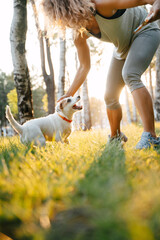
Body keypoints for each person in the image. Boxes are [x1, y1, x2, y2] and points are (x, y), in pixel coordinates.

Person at [41, 0, 160, 149]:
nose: (64, 24)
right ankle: (115, 137)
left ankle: (150, 136)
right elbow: (84, 66)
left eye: (62, 17)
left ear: (70, 9)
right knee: (110, 95)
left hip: (145, 31)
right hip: (123, 49)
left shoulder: (102, 4)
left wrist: (156, 3)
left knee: (130, 74)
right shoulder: (79, 33)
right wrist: (69, 94)